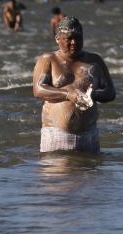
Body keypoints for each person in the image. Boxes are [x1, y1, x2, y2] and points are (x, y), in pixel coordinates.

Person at [32, 16, 115, 153]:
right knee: (60, 174)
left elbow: (110, 92)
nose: (74, 42)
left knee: (91, 172)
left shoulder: (95, 61)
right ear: (58, 39)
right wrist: (68, 94)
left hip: (89, 136)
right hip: (57, 135)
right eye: (69, 38)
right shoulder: (48, 59)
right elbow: (38, 90)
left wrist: (94, 94)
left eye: (78, 37)